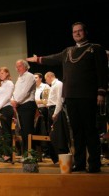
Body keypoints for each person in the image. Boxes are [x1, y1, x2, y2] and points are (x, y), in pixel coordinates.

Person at [26, 22, 108, 173]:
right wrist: (38, 60)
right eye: (74, 32)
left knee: (90, 130)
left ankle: (94, 164)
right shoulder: (68, 51)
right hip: (71, 97)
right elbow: (53, 58)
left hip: (88, 96)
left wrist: (101, 92)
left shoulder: (95, 48)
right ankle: (80, 163)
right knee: (76, 132)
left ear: (85, 32)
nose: (77, 33)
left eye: (80, 31)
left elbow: (103, 72)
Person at [10, 59, 36, 151]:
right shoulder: (19, 78)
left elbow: (26, 91)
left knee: (28, 130)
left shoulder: (30, 76)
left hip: (27, 105)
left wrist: (16, 101)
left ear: (25, 66)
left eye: (19, 66)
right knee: (22, 131)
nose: (17, 68)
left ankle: (30, 154)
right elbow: (16, 91)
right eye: (16, 67)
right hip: (20, 106)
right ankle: (25, 152)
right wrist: (13, 100)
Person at [45, 72, 69, 163]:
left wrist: (56, 113)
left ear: (50, 76)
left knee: (58, 134)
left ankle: (62, 156)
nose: (46, 81)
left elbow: (60, 99)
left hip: (55, 110)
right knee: (52, 134)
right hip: (51, 109)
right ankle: (55, 157)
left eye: (46, 78)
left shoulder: (58, 84)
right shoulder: (52, 86)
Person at [0, 67, 14, 160]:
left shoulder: (9, 83)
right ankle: (5, 153)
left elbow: (8, 97)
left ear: (7, 73)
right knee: (3, 132)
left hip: (6, 108)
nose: (0, 75)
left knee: (7, 132)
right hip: (1, 108)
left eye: (2, 73)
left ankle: (8, 155)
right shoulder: (2, 85)